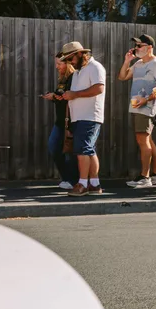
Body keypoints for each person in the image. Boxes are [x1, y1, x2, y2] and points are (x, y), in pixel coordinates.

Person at [119, 34, 156, 189]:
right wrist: (127, 61)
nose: (136, 48)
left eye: (140, 46)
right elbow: (123, 76)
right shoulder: (138, 63)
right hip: (137, 106)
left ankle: (145, 177)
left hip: (147, 107)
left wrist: (146, 100)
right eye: (136, 46)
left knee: (142, 140)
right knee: (147, 140)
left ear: (149, 47)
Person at [59, 42, 106, 196]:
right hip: (81, 117)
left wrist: (75, 95)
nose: (70, 62)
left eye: (71, 58)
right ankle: (94, 184)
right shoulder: (80, 71)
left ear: (79, 54)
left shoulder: (95, 67)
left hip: (90, 116)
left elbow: (99, 88)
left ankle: (82, 184)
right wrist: (69, 95)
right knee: (89, 150)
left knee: (82, 150)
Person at [40, 51, 78, 190]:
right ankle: (67, 178)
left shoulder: (74, 78)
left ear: (67, 63)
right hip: (60, 120)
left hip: (71, 121)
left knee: (69, 150)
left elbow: (69, 97)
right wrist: (54, 97)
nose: (57, 66)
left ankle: (73, 180)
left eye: (59, 63)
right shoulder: (62, 79)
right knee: (54, 147)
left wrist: (55, 97)